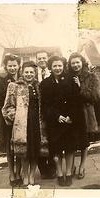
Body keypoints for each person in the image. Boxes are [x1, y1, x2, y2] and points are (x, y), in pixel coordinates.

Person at [2, 61, 41, 186]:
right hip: (22, 123)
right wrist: (14, 117)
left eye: (31, 72)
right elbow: (8, 106)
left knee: (35, 150)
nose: (29, 74)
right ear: (22, 73)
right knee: (24, 151)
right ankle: (24, 175)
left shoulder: (39, 86)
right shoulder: (14, 86)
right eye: (26, 72)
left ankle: (31, 175)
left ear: (35, 74)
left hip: (36, 123)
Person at [40, 55, 76, 186]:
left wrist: (70, 116)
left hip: (69, 120)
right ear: (50, 67)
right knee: (57, 149)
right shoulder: (45, 83)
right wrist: (57, 116)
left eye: (60, 65)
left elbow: (75, 100)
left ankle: (68, 173)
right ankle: (60, 173)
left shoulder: (70, 80)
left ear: (63, 66)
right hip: (54, 121)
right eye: (54, 65)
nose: (57, 68)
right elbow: (44, 105)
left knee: (69, 148)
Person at [67, 52, 100, 179]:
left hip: (86, 113)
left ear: (82, 63)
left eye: (77, 62)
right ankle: (72, 166)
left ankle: (82, 166)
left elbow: (95, 97)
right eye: (73, 63)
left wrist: (80, 87)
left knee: (84, 141)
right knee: (72, 140)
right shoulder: (67, 77)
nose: (75, 65)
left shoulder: (91, 77)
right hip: (72, 113)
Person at [0, 54, 22, 186]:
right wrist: (10, 114)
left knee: (21, 145)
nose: (12, 68)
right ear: (6, 66)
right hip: (7, 119)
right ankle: (12, 174)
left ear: (18, 65)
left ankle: (19, 172)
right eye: (9, 65)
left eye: (14, 65)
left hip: (22, 118)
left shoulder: (23, 78)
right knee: (10, 149)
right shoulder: (0, 81)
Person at [36, 51, 56, 179]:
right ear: (36, 60)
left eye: (44, 58)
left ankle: (53, 167)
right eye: (39, 58)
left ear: (47, 59)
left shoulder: (53, 72)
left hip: (52, 111)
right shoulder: (32, 73)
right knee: (39, 141)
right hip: (37, 113)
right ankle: (43, 169)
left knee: (53, 140)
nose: (42, 60)